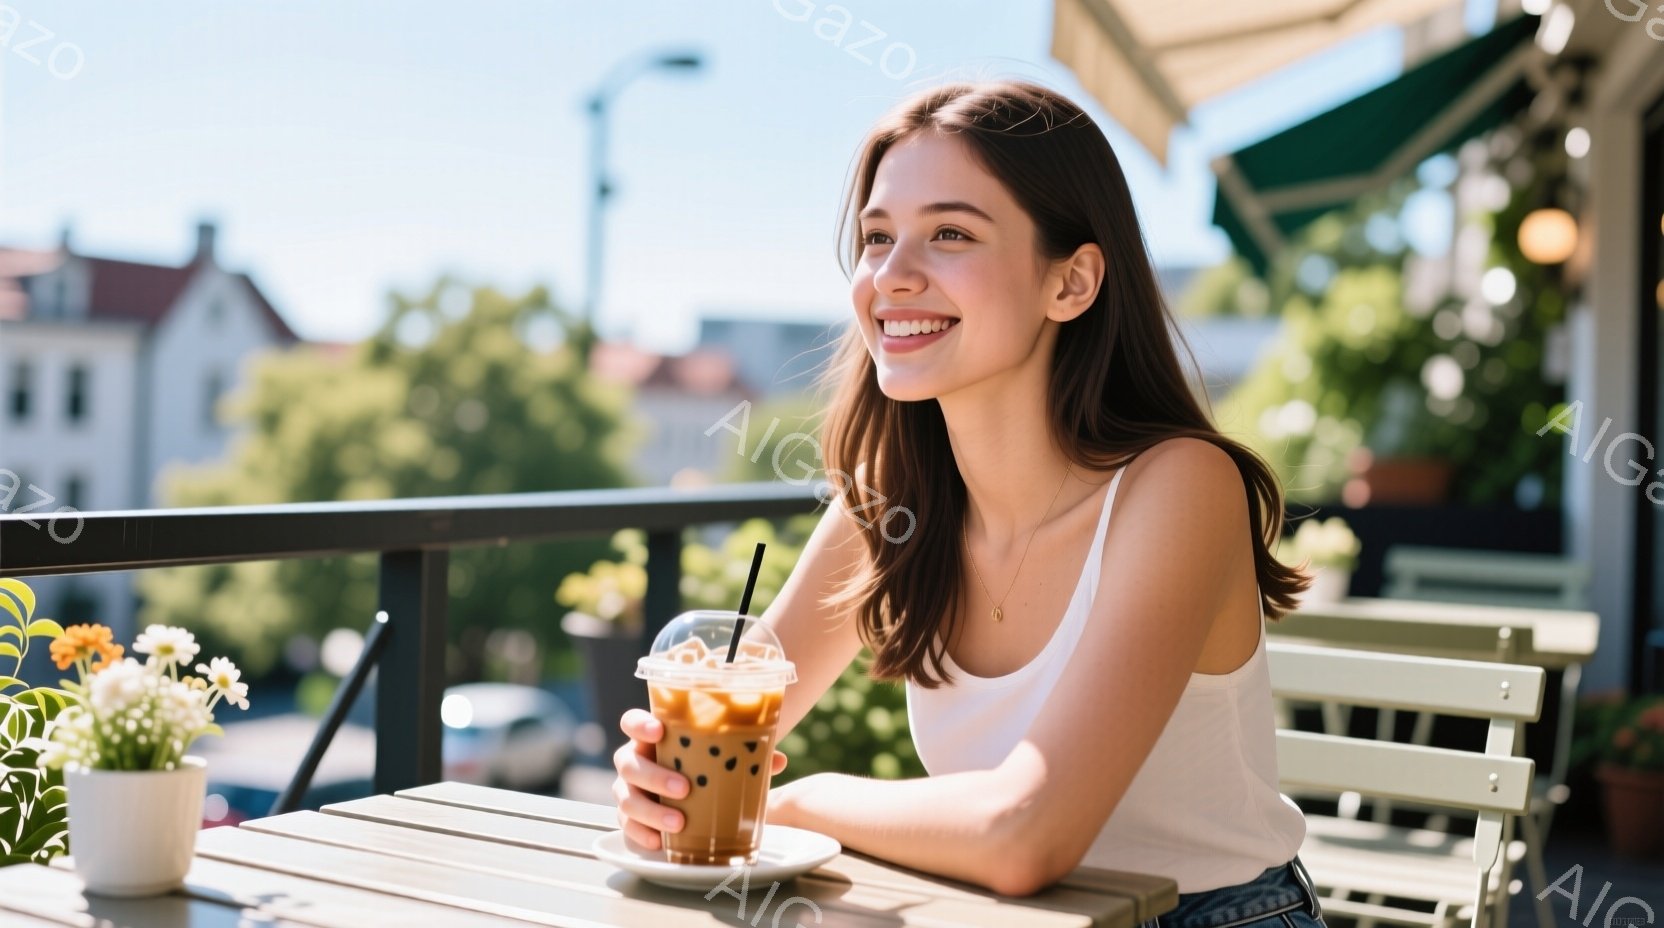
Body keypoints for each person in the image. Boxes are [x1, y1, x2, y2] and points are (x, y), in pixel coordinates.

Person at [613, 80, 1325, 926]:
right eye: (878, 238)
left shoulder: (1178, 487)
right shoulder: (890, 502)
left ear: (1072, 282)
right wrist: (667, 786)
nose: (892, 276)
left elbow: (1025, 835)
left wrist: (797, 805)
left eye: (949, 233)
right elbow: (741, 711)